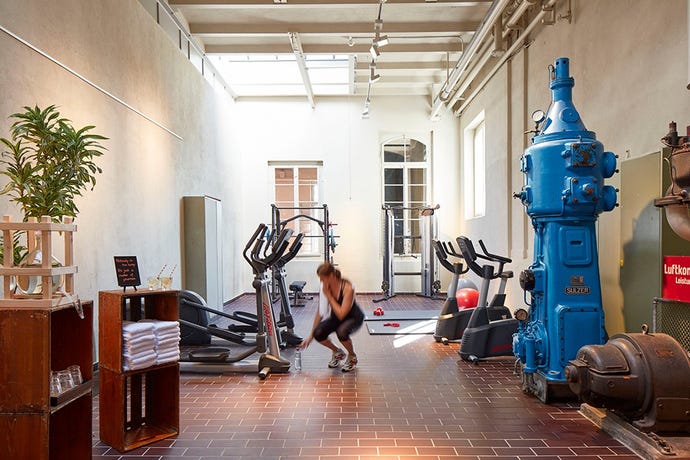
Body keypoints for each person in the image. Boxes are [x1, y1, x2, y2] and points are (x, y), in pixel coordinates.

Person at [300, 262, 364, 372]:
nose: (321, 281)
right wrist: (310, 337)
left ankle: (352, 356)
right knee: (318, 333)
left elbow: (341, 313)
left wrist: (329, 295)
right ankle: (337, 352)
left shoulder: (348, 288)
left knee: (342, 332)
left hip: (353, 318)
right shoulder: (325, 286)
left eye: (323, 278)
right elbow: (321, 311)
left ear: (331, 276)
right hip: (337, 318)